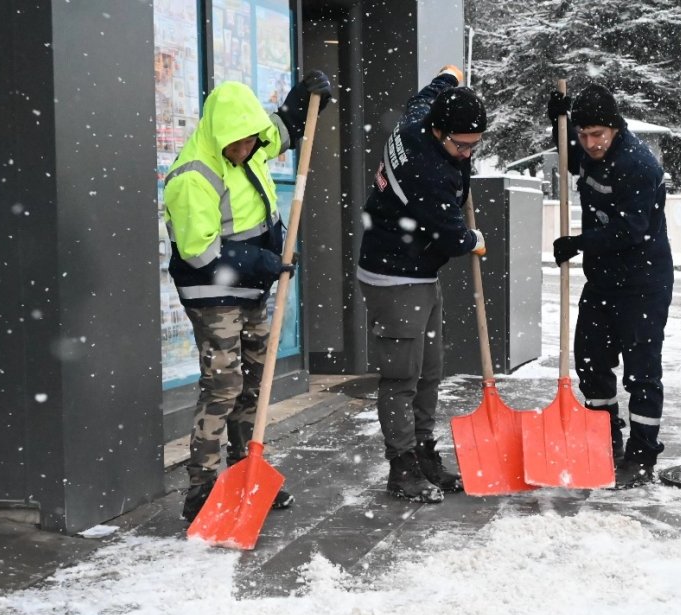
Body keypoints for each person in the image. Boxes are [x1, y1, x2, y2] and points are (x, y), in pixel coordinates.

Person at [165, 71, 334, 522]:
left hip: (252, 285)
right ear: (219, 136)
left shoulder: (253, 142)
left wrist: (307, 97)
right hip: (213, 292)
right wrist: (261, 262)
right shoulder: (191, 177)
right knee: (223, 386)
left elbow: (283, 128)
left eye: (249, 142)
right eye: (236, 145)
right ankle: (200, 488)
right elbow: (200, 253)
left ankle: (245, 470)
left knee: (257, 381)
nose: (246, 151)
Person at [357, 66, 487, 503]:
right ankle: (403, 466)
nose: (468, 154)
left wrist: (447, 77)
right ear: (438, 131)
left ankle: (424, 450)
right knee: (401, 376)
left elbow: (429, 92)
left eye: (475, 144)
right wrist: (474, 239)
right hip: (394, 275)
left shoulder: (417, 118)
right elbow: (452, 237)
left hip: (419, 272)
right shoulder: (425, 172)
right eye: (462, 145)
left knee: (430, 370)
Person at [547, 84, 674, 487]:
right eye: (583, 135)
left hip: (643, 281)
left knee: (641, 372)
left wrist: (579, 243)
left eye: (597, 134)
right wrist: (558, 120)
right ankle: (604, 439)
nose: (590, 143)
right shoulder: (586, 150)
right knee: (591, 361)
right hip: (603, 280)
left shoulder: (638, 165)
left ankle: (642, 452)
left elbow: (630, 231)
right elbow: (570, 158)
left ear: (615, 129)